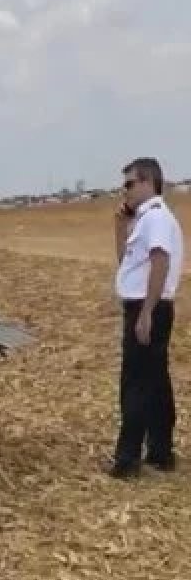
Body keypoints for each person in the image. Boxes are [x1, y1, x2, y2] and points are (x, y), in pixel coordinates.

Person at [109, 156, 183, 478]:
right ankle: (160, 453)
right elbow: (126, 261)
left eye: (129, 183)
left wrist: (147, 311)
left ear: (147, 182)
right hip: (148, 306)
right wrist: (120, 223)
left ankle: (127, 461)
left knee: (135, 384)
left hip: (146, 306)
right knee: (154, 382)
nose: (124, 190)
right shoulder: (146, 219)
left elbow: (160, 261)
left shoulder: (155, 218)